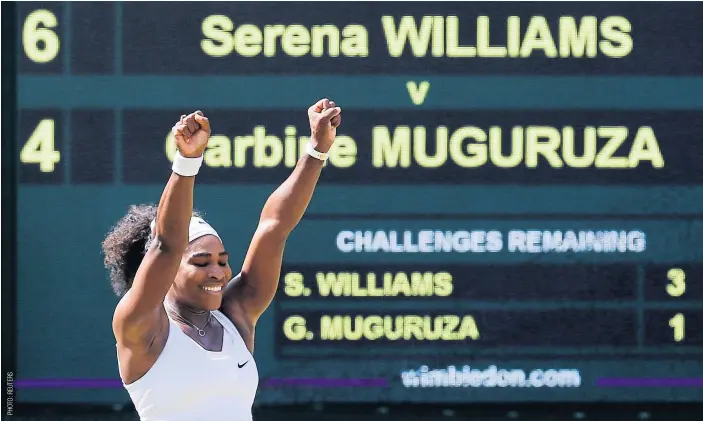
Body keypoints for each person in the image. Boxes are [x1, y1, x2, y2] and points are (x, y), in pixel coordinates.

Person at [102, 99, 342, 421]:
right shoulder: (142, 325)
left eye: (222, 261)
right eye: (201, 263)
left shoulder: (235, 316)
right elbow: (166, 245)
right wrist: (187, 161)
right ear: (168, 270)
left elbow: (275, 227)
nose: (217, 272)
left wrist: (316, 150)